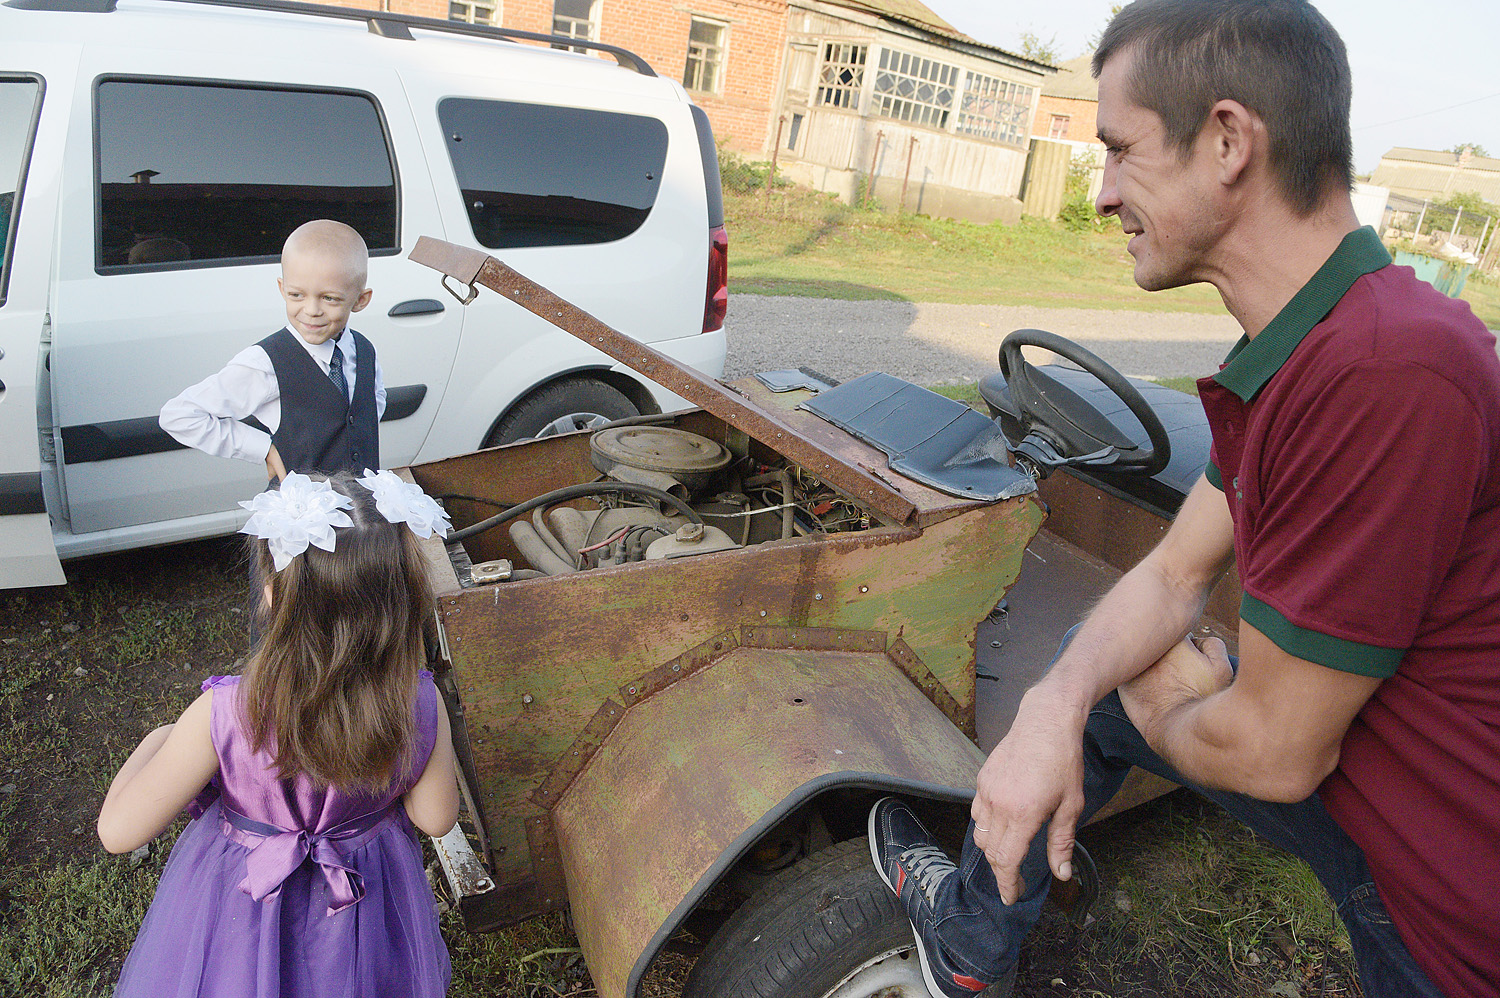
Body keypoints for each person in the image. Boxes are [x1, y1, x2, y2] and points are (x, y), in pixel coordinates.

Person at [868, 2, 1500, 997]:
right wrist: (1052, 702)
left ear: (1227, 140)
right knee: (1110, 675)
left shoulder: (1390, 368)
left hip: (1448, 908)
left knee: (1149, 684)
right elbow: (1173, 569)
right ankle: (974, 941)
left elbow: (1276, 750)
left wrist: (1165, 705)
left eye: (1120, 151)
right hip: (1375, 795)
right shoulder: (1294, 350)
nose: (1103, 195)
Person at [98, 470, 459, 997]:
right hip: (361, 916)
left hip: (239, 918)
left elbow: (118, 832)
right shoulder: (420, 704)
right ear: (401, 596)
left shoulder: (222, 713)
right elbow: (436, 818)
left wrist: (157, 739)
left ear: (271, 594)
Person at [160, 219, 385, 482]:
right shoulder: (265, 363)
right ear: (282, 289)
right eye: (297, 295)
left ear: (360, 300)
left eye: (329, 298)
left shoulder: (364, 350)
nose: (311, 310)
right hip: (300, 516)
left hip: (364, 509)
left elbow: (372, 405)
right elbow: (180, 415)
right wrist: (263, 448)